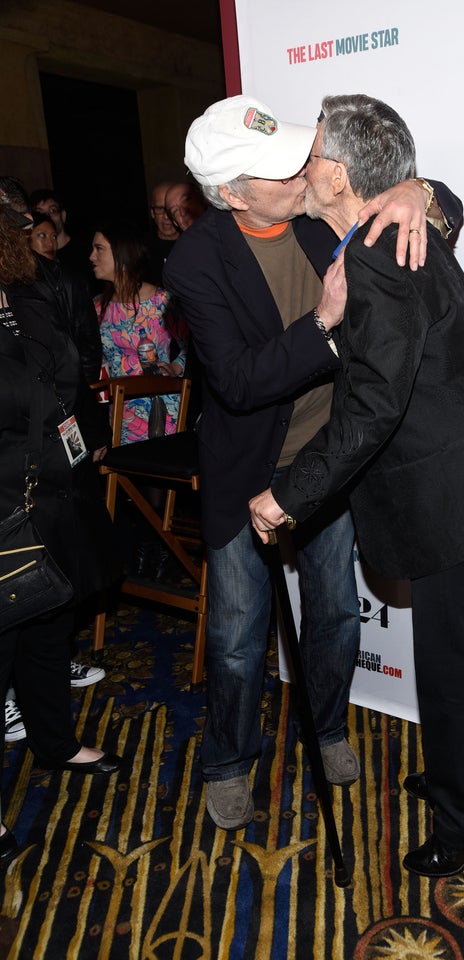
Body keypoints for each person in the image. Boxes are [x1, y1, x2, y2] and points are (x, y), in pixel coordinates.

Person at [249, 94, 464, 878]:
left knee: (446, 665)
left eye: (311, 155)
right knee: (451, 657)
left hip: (453, 488)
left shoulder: (377, 246)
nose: (301, 167)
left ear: (339, 174)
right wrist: (422, 189)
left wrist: (289, 496)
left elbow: (373, 406)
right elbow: (442, 205)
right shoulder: (397, 223)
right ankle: (457, 773)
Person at [163, 94, 460, 831]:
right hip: (248, 473)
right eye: (273, 170)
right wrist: (324, 323)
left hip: (328, 465)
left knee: (333, 617)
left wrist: (414, 192)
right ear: (230, 194)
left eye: (296, 152)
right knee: (236, 638)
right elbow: (235, 382)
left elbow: (443, 200)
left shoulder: (312, 211)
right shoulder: (195, 261)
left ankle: (326, 729)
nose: (299, 171)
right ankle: (230, 760)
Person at [0, 205, 123, 866]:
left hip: (48, 490)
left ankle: (54, 741)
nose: (27, 236)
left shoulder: (23, 299)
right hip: (1, 501)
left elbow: (68, 374)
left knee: (49, 619)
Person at [91, 221, 189, 444]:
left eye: (99, 249)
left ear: (121, 253)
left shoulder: (162, 301)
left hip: (161, 408)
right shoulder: (96, 307)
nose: (91, 256)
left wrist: (175, 367)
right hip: (119, 413)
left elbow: (193, 345)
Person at [146, 182, 180, 286]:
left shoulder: (195, 244)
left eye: (171, 209)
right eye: (160, 209)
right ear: (152, 213)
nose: (166, 216)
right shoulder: (142, 248)